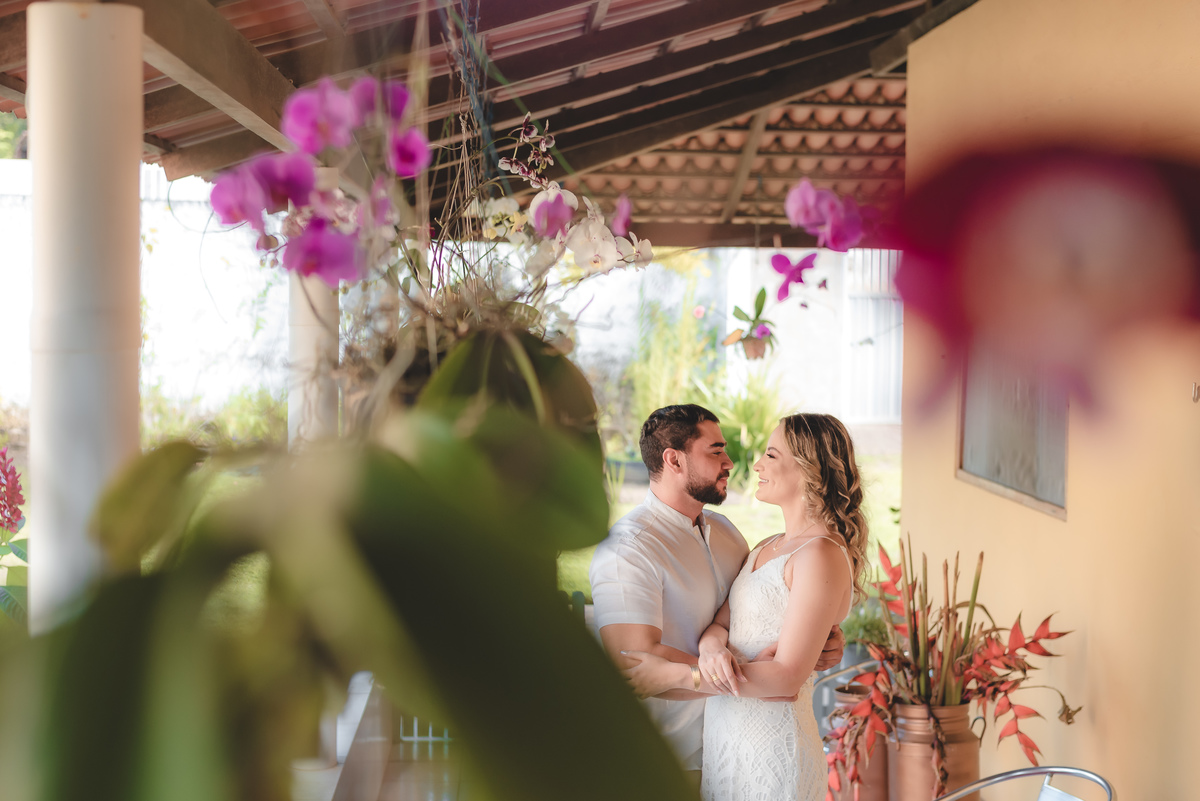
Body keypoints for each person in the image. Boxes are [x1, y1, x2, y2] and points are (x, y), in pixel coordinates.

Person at [589, 405, 845, 781]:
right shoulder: (629, 549)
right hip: (670, 762)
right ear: (674, 460)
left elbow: (766, 613)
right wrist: (766, 679)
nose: (731, 462)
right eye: (715, 451)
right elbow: (637, 660)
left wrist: (821, 641)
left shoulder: (727, 533)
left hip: (741, 750)